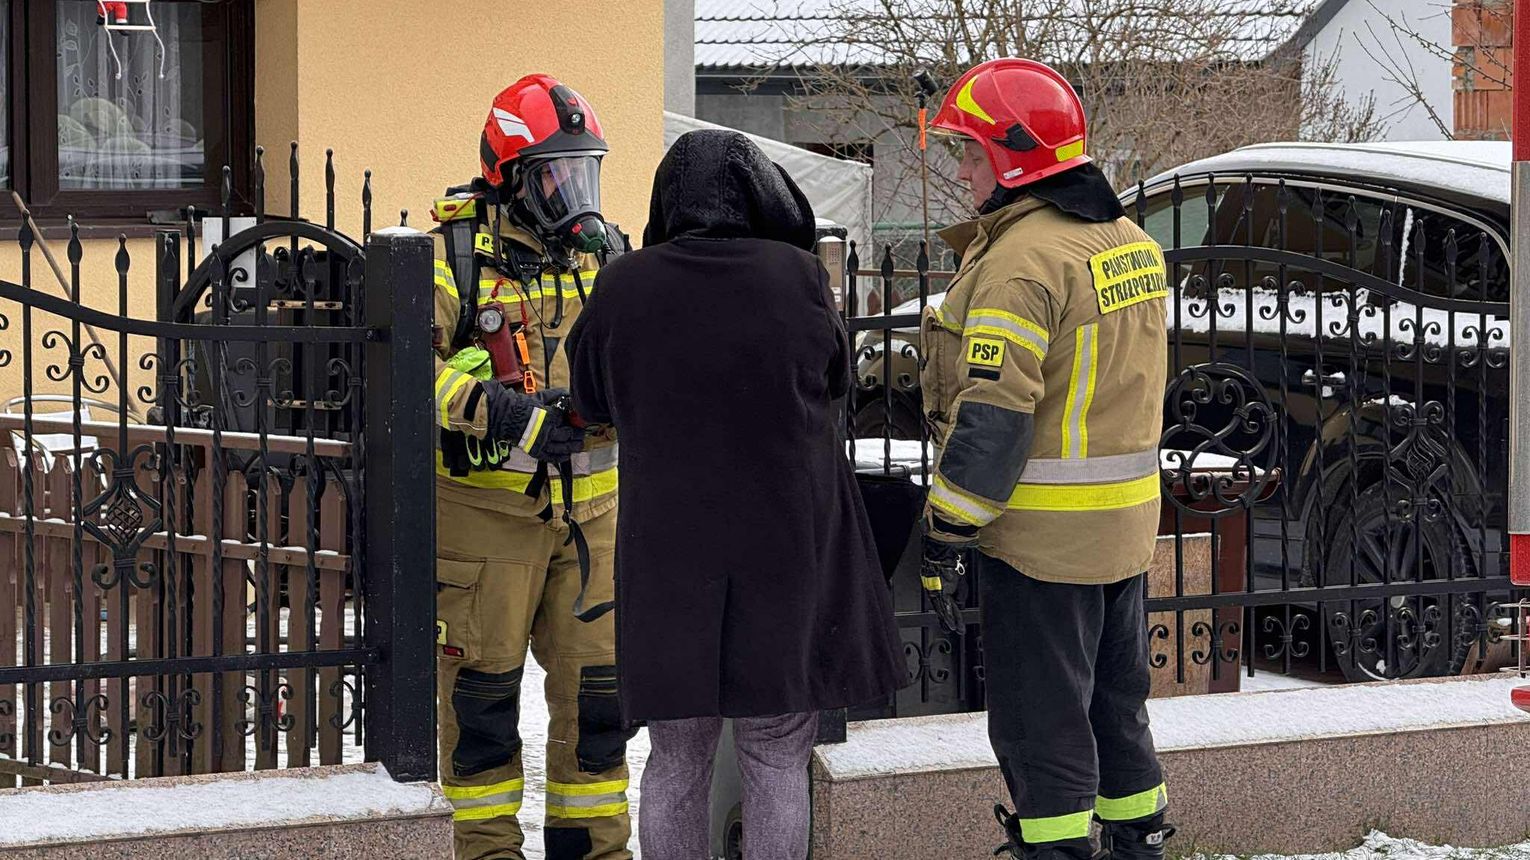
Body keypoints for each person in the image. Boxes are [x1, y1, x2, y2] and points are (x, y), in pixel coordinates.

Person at [565, 129, 904, 860]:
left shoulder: (623, 282)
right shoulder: (797, 277)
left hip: (668, 552)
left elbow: (589, 400)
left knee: (676, 759)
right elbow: (836, 383)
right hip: (784, 545)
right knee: (777, 752)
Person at [916, 59, 1174, 860]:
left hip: (1041, 547)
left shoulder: (1020, 265)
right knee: (1116, 709)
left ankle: (1054, 850)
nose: (961, 170)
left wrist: (943, 531)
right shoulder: (1127, 241)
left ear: (1016, 156)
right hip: (1123, 535)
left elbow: (993, 424)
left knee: (1042, 723)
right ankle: (1138, 843)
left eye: (970, 152)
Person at [429, 74, 635, 860]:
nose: (575, 191)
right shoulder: (452, 258)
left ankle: (597, 851)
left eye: (585, 170)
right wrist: (506, 413)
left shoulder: (609, 256)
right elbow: (406, 374)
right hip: (485, 527)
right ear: (509, 176)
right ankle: (485, 852)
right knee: (480, 713)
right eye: (556, 172)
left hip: (597, 516)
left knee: (600, 707)